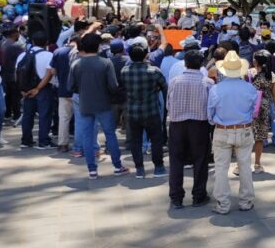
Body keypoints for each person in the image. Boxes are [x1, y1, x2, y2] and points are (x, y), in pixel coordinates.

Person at [69, 33, 129, 179]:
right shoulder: (105, 63)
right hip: (103, 103)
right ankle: (117, 165)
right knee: (110, 134)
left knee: (88, 137)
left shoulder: (76, 64)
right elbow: (113, 86)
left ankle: (92, 169)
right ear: (98, 46)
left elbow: (71, 86)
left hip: (85, 103)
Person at [207, 51, 259, 215]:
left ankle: (223, 203)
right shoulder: (250, 88)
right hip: (244, 129)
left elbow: (210, 115)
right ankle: (246, 201)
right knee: (245, 166)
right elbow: (253, 111)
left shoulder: (216, 89)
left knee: (221, 168)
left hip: (222, 131)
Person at [167, 50, 213, 209]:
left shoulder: (174, 81)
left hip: (177, 124)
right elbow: (210, 107)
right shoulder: (207, 83)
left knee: (176, 161)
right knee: (200, 160)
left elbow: (168, 105)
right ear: (202, 64)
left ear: (185, 63)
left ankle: (176, 197)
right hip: (199, 125)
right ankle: (199, 196)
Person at [120, 45, 169, 179]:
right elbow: (165, 87)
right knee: (156, 140)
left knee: (136, 141)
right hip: (151, 110)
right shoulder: (154, 71)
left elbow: (123, 87)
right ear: (145, 55)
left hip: (133, 112)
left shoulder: (124, 71)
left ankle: (139, 169)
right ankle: (158, 167)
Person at [17, 31, 56, 149]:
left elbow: (17, 73)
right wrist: (38, 88)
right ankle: (43, 141)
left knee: (27, 115)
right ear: (47, 42)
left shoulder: (22, 55)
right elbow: (49, 74)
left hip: (26, 90)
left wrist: (22, 89)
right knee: (45, 115)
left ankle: (26, 140)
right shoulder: (49, 55)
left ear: (32, 42)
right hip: (43, 89)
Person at [246, 50, 275, 174]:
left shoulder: (249, 73)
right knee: (259, 137)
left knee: (246, 136)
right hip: (263, 107)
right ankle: (257, 164)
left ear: (255, 61)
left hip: (249, 107)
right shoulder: (271, 75)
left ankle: (242, 165)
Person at [0, 26, 23, 122]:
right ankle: (16, 116)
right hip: (13, 75)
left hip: (4, 75)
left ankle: (7, 114)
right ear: (13, 34)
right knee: (15, 97)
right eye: (17, 32)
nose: (18, 34)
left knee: (7, 96)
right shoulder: (15, 47)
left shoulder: (2, 44)